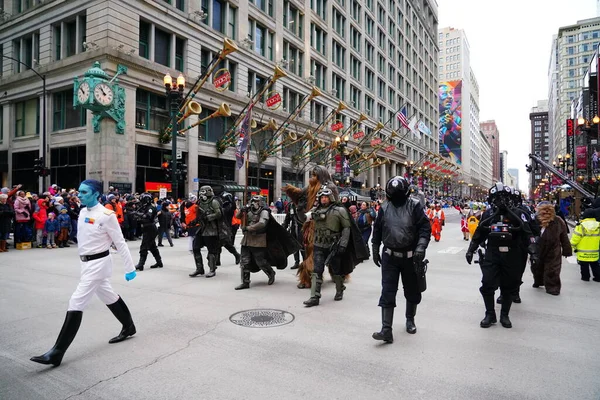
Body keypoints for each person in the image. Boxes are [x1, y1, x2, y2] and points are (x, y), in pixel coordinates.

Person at [30, 179, 137, 367]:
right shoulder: (82, 211)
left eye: (84, 192)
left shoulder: (107, 215)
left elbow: (120, 242)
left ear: (96, 194)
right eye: (79, 191)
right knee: (108, 295)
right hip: (86, 263)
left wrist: (130, 268)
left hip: (99, 263)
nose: (80, 195)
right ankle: (129, 327)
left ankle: (57, 352)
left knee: (76, 301)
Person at [466, 183, 538, 329]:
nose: (501, 201)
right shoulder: (488, 214)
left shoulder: (519, 214)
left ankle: (504, 315)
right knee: (487, 284)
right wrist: (471, 249)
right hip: (492, 254)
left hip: (512, 255)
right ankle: (490, 314)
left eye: (504, 197)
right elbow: (480, 233)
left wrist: (534, 253)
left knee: (509, 286)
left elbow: (528, 234)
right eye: (497, 198)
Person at [371, 176, 431, 343]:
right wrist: (375, 249)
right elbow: (377, 230)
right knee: (387, 291)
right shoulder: (384, 207)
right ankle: (386, 329)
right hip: (390, 255)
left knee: (412, 291)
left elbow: (425, 229)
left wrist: (420, 248)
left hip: (411, 257)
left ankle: (410, 319)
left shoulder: (415, 206)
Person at [235, 195, 301, 290]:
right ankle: (245, 282)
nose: (254, 203)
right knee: (244, 261)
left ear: (261, 202)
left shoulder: (264, 211)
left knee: (260, 261)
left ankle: (270, 273)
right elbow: (237, 216)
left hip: (258, 239)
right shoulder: (248, 210)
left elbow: (262, 223)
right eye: (253, 201)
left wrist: (248, 228)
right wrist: (242, 210)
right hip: (247, 238)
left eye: (256, 201)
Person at [303, 186, 355, 307]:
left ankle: (339, 289)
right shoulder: (315, 210)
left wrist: (343, 244)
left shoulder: (340, 210)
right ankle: (314, 297)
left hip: (333, 245)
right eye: (322, 197)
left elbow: (346, 228)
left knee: (336, 270)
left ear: (330, 198)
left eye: (326, 197)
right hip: (319, 244)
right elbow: (304, 219)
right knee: (317, 271)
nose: (324, 199)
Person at [532, 202, 572, 295]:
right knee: (536, 267)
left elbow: (564, 237)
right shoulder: (535, 220)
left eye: (548, 210)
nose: (546, 212)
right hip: (538, 248)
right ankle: (539, 280)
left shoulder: (558, 220)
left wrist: (567, 250)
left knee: (552, 269)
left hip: (553, 250)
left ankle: (553, 287)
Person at [195, 186, 223, 278]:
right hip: (202, 227)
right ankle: (199, 268)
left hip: (211, 229)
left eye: (203, 192)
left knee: (211, 250)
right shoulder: (200, 202)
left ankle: (212, 269)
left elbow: (219, 214)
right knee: (195, 247)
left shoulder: (214, 202)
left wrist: (209, 217)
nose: (202, 194)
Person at [134, 193, 163, 271]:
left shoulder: (150, 207)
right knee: (152, 246)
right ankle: (159, 262)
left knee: (144, 246)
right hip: (148, 228)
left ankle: (141, 264)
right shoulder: (146, 207)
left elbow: (148, 216)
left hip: (150, 229)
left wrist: (139, 214)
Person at [570, 208, 600, 283]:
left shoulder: (581, 226)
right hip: (594, 250)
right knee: (595, 265)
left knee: (584, 265)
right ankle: (597, 277)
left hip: (583, 251)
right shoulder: (598, 225)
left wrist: (572, 246)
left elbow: (576, 238)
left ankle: (585, 277)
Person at [283, 201, 305, 270]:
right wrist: (284, 227)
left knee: (302, 246)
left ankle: (305, 262)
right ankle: (297, 262)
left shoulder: (303, 205)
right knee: (294, 246)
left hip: (302, 228)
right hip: (293, 228)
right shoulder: (291, 205)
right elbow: (288, 217)